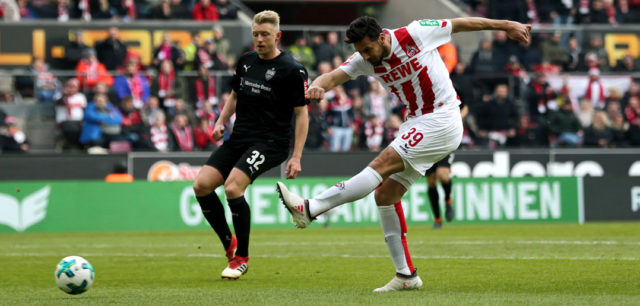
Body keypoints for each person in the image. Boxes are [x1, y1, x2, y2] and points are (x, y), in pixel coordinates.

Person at [277, 16, 530, 292]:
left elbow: (462, 23)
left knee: (381, 164)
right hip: (418, 122)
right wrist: (318, 85)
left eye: (368, 50)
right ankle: (406, 275)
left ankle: (310, 209)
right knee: (385, 195)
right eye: (360, 51)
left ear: (382, 38)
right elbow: (334, 75)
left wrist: (506, 25)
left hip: (442, 116)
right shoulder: (365, 59)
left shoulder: (415, 34)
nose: (365, 56)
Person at [191, 10, 309, 280]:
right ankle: (229, 244)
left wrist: (296, 156)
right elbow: (234, 94)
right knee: (201, 186)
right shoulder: (245, 61)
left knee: (233, 187)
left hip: (271, 142)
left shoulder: (292, 69)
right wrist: (221, 121)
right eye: (255, 34)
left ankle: (241, 258)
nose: (259, 39)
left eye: (265, 34)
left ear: (277, 36)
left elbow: (302, 114)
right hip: (240, 137)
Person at [427, 102, 468, 229]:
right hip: (428, 143)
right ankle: (437, 218)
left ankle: (448, 200)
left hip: (445, 142)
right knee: (432, 182)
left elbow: (465, 107)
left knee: (443, 175)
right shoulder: (421, 92)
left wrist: (456, 120)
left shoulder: (451, 89)